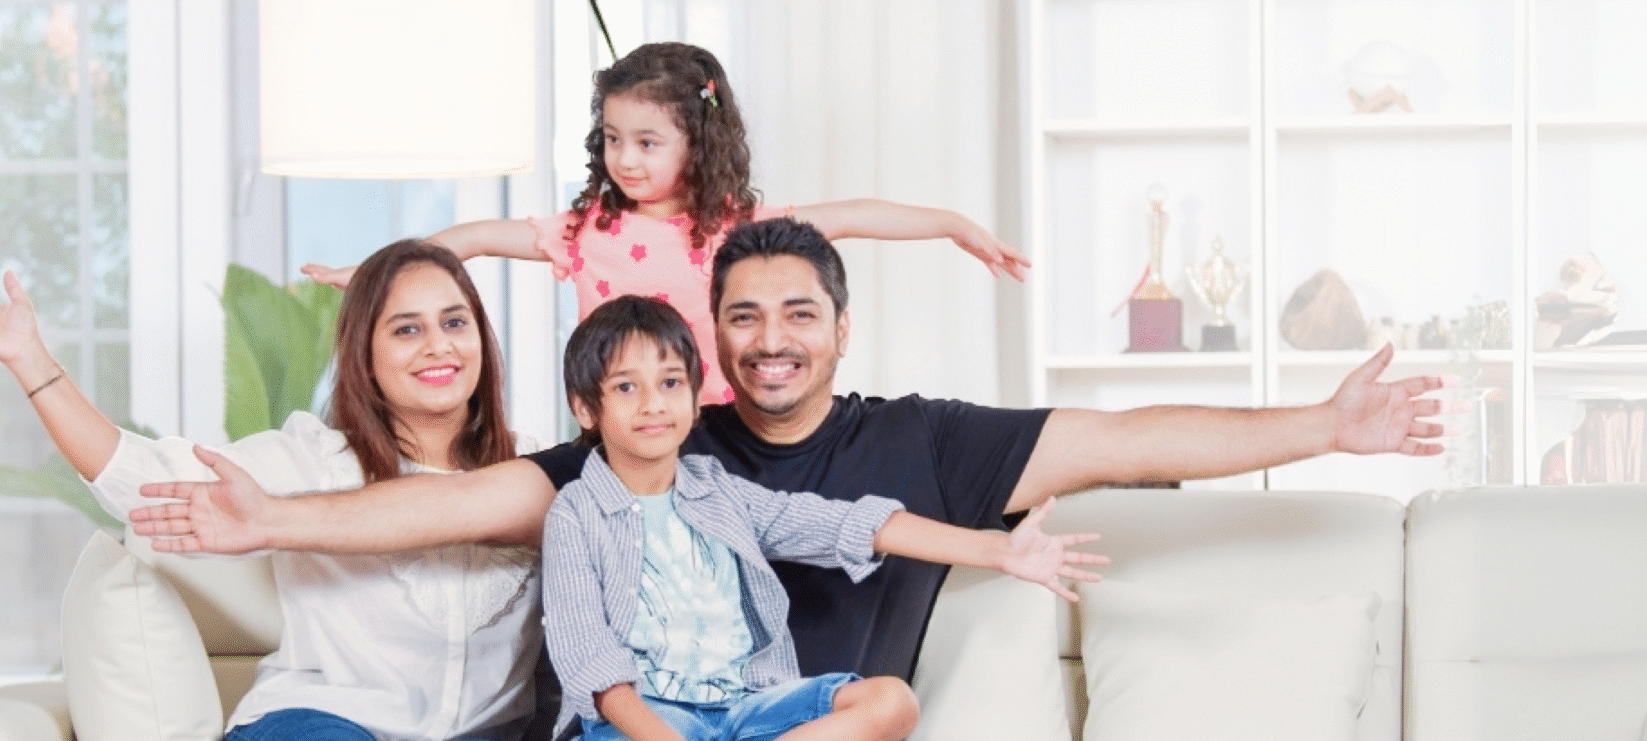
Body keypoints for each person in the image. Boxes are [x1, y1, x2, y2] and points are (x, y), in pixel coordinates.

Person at [132, 217, 1445, 684]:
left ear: (838, 326)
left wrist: (1324, 428)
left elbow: (1126, 433)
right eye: (741, 316)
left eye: (795, 315)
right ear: (712, 335)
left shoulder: (930, 444)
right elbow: (468, 503)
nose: (767, 341)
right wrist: (273, 524)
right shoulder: (655, 437)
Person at [0, 239, 545, 741]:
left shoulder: (535, 472)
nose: (439, 346)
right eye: (406, 330)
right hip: (323, 725)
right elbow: (135, 477)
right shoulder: (311, 459)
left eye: (454, 322)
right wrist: (29, 360)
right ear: (365, 355)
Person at [299, 42, 1028, 406]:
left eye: (647, 143)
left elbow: (854, 216)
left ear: (697, 143)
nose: (625, 159)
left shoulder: (739, 229)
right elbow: (481, 237)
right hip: (620, 429)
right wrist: (375, 269)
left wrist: (952, 224)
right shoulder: (589, 229)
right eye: (613, 139)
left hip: (717, 432)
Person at [539, 295, 1109, 741]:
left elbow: (844, 525)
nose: (653, 404)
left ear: (693, 395)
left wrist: (995, 550)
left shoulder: (715, 490)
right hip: (645, 720)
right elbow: (596, 669)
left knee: (891, 702)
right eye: (625, 388)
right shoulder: (575, 515)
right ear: (586, 407)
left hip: (748, 709)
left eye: (669, 383)